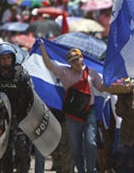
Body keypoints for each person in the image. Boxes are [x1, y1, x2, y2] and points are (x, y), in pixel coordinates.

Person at [39, 44, 102, 173]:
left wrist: (117, 84)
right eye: (72, 61)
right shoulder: (65, 72)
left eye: (77, 59)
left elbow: (102, 87)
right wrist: (42, 48)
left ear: (82, 58)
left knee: (91, 143)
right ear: (69, 63)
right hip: (72, 115)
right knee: (75, 148)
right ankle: (80, 170)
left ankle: (91, 169)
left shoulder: (91, 72)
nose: (75, 62)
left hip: (89, 111)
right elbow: (49, 65)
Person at [0, 42, 34, 173]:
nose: (6, 61)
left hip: (19, 118)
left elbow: (31, 99)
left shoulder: (21, 75)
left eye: (8, 57)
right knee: (3, 154)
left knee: (22, 150)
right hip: (0, 120)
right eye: (3, 58)